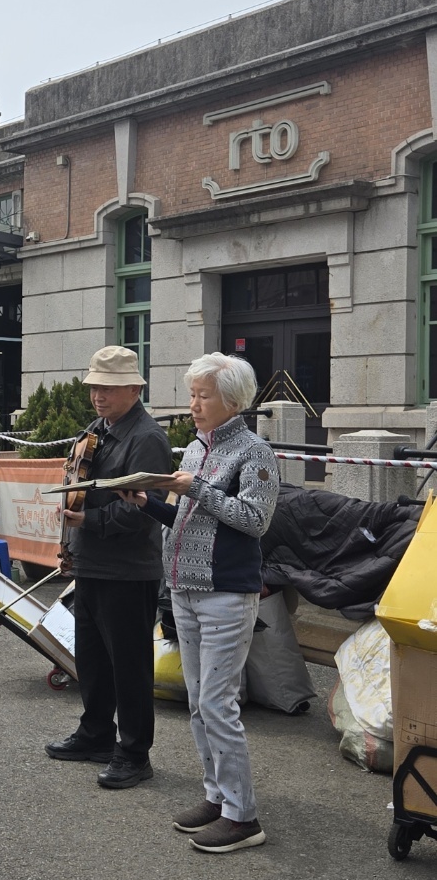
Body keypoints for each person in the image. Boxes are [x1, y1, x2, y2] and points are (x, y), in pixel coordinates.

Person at [123, 352, 279, 853]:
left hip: (227, 593)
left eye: (202, 395)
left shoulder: (255, 452)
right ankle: (217, 796)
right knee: (198, 702)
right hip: (184, 590)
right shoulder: (194, 448)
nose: (193, 404)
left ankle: (243, 816)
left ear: (231, 400)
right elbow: (189, 519)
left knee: (216, 703)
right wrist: (149, 504)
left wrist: (198, 488)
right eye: (191, 394)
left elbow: (254, 520)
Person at [45, 345, 173, 788]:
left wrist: (88, 520)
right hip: (92, 562)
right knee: (93, 658)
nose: (99, 395)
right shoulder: (96, 430)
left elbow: (144, 510)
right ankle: (96, 733)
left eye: (109, 388)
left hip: (128, 569)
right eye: (95, 387)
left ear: (135, 389)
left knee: (129, 666)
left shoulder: (147, 438)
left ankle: (135, 753)